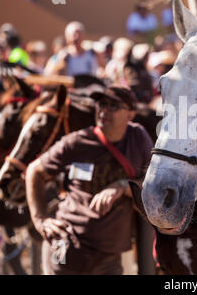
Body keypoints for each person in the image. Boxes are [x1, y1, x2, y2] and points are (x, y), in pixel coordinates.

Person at [25, 85, 154, 275]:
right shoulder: (77, 142)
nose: (104, 110)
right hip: (64, 245)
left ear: (131, 114)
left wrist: (122, 187)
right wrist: (40, 220)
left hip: (109, 256)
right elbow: (34, 171)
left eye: (113, 106)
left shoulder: (138, 138)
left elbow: (153, 184)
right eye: (102, 103)